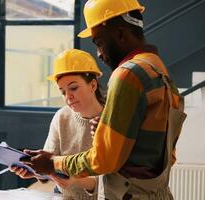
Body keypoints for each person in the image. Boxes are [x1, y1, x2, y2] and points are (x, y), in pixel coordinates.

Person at [21, 0, 187, 199]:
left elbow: (104, 160)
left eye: (99, 42)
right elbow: (164, 154)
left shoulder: (127, 74)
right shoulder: (159, 71)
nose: (99, 54)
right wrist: (108, 133)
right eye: (62, 91)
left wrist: (53, 163)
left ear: (119, 33)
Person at [11, 49, 105, 199]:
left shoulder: (111, 120)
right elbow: (50, 165)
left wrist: (77, 181)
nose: (68, 97)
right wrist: (36, 171)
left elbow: (115, 182)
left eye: (74, 88)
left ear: (93, 85)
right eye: (62, 92)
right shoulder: (62, 117)